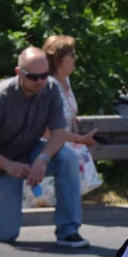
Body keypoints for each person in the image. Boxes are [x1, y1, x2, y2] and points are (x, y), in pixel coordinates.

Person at [0, 47, 89, 247]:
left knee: (67, 158)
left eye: (44, 75)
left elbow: (58, 133)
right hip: (1, 162)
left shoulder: (50, 89)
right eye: (34, 77)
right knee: (6, 234)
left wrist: (43, 159)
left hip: (32, 151)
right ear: (18, 73)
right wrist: (7, 165)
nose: (41, 81)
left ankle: (68, 230)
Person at [25, 35, 102, 207]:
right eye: (72, 55)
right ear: (60, 59)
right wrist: (80, 139)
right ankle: (63, 203)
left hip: (64, 138)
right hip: (47, 142)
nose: (76, 58)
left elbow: (65, 113)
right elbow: (47, 131)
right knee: (74, 152)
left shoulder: (66, 81)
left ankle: (68, 202)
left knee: (77, 150)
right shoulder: (48, 85)